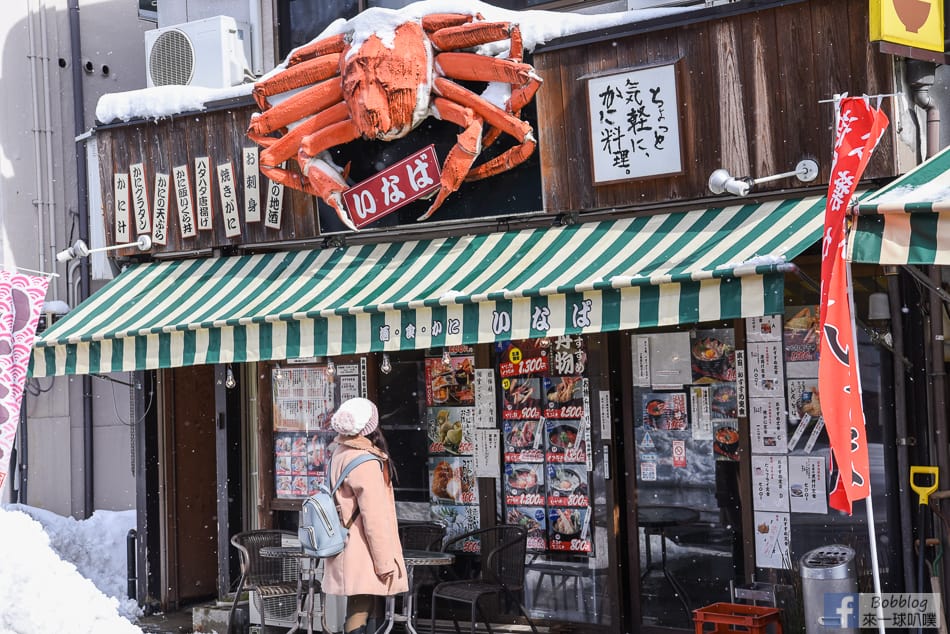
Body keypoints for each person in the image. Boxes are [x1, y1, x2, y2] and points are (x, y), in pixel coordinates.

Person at [322, 397, 407, 634]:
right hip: (364, 547)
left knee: (362, 602)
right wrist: (385, 562)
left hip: (347, 543)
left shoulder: (339, 453)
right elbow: (375, 518)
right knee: (361, 606)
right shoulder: (366, 461)